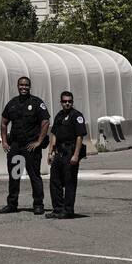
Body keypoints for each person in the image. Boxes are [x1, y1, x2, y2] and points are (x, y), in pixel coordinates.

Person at [0, 76, 49, 215]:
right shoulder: (12, 103)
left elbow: (45, 122)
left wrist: (39, 141)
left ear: (30, 87)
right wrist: (4, 141)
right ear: (17, 86)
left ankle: (38, 204)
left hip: (30, 146)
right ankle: (12, 204)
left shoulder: (37, 103)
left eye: (26, 85)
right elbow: (3, 122)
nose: (23, 87)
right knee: (14, 175)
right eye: (21, 85)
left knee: (34, 176)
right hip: (16, 146)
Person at [46, 91, 86, 219]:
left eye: (69, 101)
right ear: (61, 102)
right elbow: (54, 134)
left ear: (72, 102)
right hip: (58, 152)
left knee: (69, 182)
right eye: (64, 101)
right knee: (55, 181)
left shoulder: (77, 116)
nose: (67, 103)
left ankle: (68, 210)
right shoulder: (59, 116)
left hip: (70, 151)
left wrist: (76, 155)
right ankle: (57, 209)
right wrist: (50, 152)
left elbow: (80, 137)